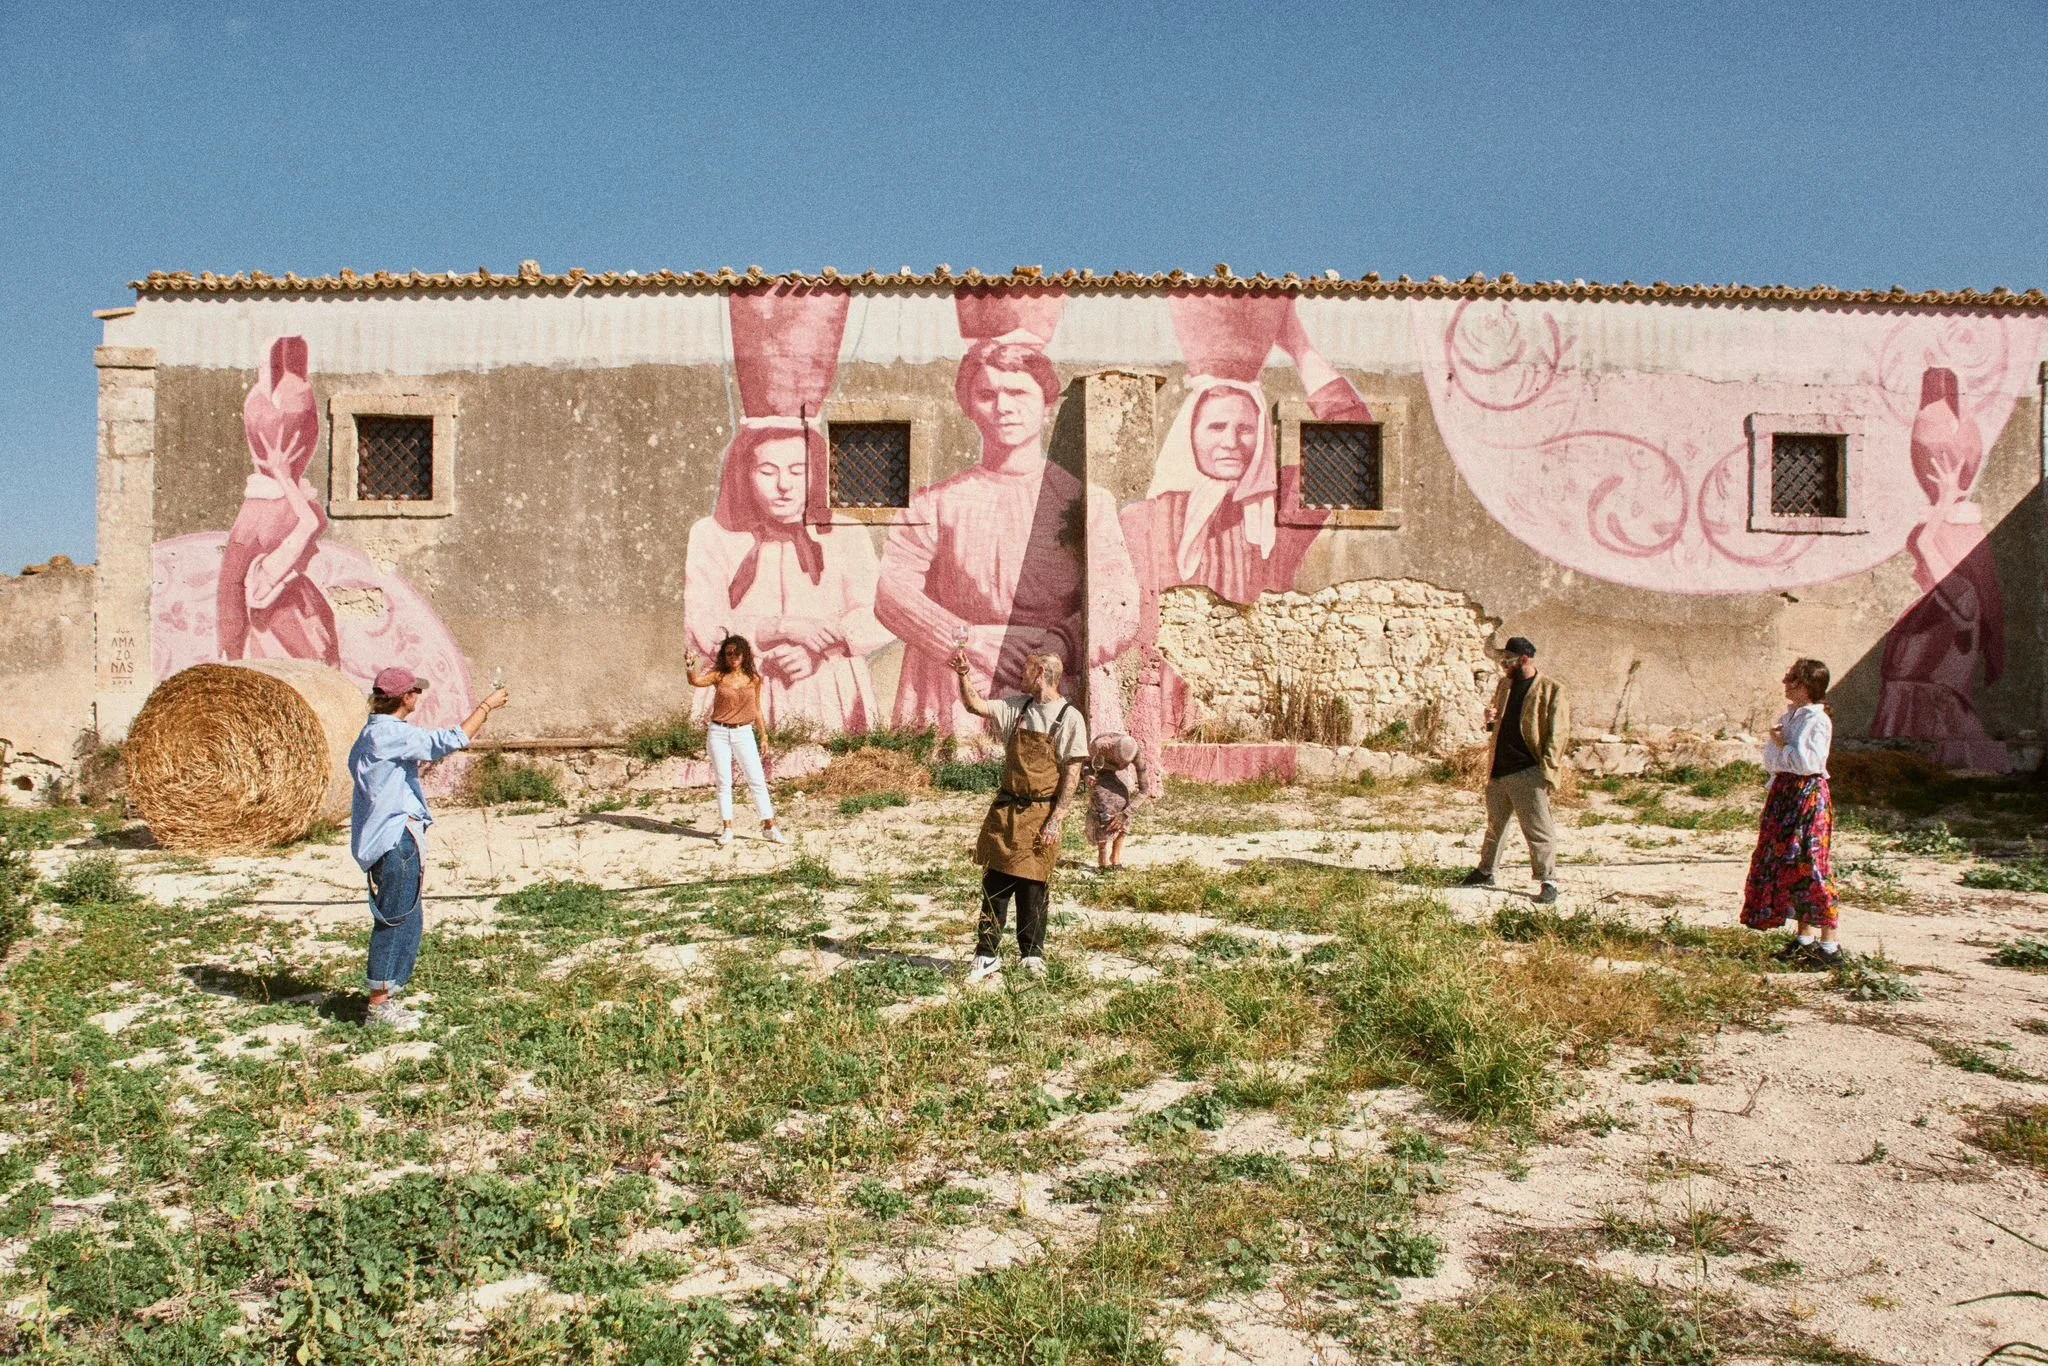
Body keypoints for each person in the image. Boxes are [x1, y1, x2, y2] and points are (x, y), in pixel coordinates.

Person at [875, 338, 1139, 738]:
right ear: (968, 406)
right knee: (952, 775)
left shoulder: (1087, 503)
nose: (1003, 407)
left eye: (1018, 393)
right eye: (987, 395)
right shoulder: (934, 504)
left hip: (1056, 680)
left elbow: (1117, 603)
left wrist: (1057, 646)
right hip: (956, 684)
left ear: (1047, 406)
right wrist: (964, 639)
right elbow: (891, 592)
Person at [683, 421, 891, 733]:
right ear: (745, 474)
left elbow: (878, 614)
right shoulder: (712, 535)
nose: (783, 485)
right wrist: (781, 627)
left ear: (817, 473)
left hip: (827, 687)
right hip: (740, 684)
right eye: (767, 471)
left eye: (797, 471)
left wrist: (820, 648)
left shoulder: (847, 534)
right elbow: (704, 626)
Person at [350, 666, 508, 1031]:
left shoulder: (371, 733)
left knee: (407, 917)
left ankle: (386, 997)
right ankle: (378, 1007)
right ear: (406, 698)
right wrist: (487, 706)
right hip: (396, 839)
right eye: (415, 692)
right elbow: (452, 740)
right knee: (396, 920)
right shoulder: (392, 734)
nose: (419, 697)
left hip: (387, 838)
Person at [952, 648, 1088, 982]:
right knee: (995, 885)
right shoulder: (1017, 707)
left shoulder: (1070, 718)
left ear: (1041, 672)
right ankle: (986, 955)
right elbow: (975, 705)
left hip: (1042, 814)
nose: (1020, 675)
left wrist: (1056, 820)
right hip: (1007, 811)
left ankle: (1032, 956)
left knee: (1033, 888)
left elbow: (1072, 775)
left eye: (1026, 670)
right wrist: (963, 675)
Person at [1741, 658, 1841, 964]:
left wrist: (1783, 744)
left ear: (1808, 685)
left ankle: (1830, 947)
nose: (1786, 683)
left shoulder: (1817, 720)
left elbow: (1808, 764)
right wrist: (1782, 748)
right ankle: (1804, 939)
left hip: (1806, 796)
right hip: (1786, 794)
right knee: (1791, 865)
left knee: (1811, 865)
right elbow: (1772, 761)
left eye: (1793, 678)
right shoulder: (1791, 716)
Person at [1461, 636, 1570, 903]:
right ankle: (1486, 871)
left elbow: (1558, 734)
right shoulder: (1505, 685)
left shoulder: (1551, 689)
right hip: (1499, 768)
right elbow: (1500, 722)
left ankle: (1548, 880)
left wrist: (1547, 770)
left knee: (1538, 830)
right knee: (1495, 825)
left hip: (1529, 770)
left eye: (1507, 660)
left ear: (1524, 659)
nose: (1503, 665)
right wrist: (1490, 721)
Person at [687, 634, 786, 847]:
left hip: (744, 732)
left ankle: (769, 826)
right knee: (724, 781)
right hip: (719, 732)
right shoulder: (719, 676)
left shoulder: (754, 679)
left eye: (737, 653)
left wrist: (764, 735)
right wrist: (690, 665)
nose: (733, 657)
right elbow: (695, 681)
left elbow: (757, 709)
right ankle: (727, 828)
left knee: (756, 779)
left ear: (744, 654)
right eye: (728, 653)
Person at [1084, 733, 1149, 873]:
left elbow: (1144, 790)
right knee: (1103, 808)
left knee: (1123, 806)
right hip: (1100, 778)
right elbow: (1086, 763)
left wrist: (1126, 813)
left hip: (1119, 779)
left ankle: (1115, 856)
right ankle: (1102, 856)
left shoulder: (1135, 753)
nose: (1120, 765)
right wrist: (1087, 775)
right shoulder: (1099, 745)